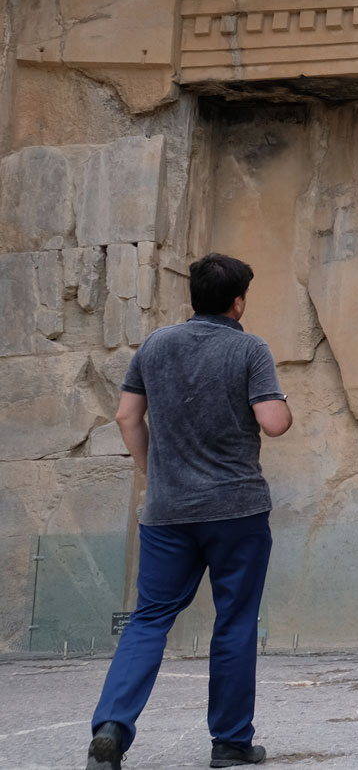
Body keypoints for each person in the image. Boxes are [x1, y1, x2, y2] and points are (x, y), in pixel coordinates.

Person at [85, 253, 293, 770]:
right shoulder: (249, 348)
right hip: (236, 510)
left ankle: (112, 727)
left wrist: (153, 472)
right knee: (235, 621)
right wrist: (279, 402)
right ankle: (230, 744)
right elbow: (274, 422)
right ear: (238, 302)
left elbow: (126, 415)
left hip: (167, 511)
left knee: (149, 619)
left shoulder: (155, 345)